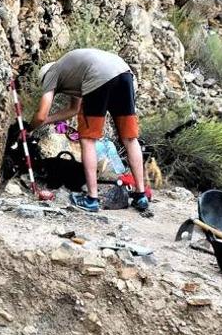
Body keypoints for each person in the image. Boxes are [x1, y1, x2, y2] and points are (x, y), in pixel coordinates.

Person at [30, 47, 149, 213]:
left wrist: (30, 127)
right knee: (130, 138)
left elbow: (41, 115)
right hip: (124, 73)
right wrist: (48, 121)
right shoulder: (72, 71)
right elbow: (73, 109)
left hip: (99, 75)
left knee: (87, 139)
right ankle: (141, 196)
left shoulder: (52, 73)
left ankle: (91, 199)